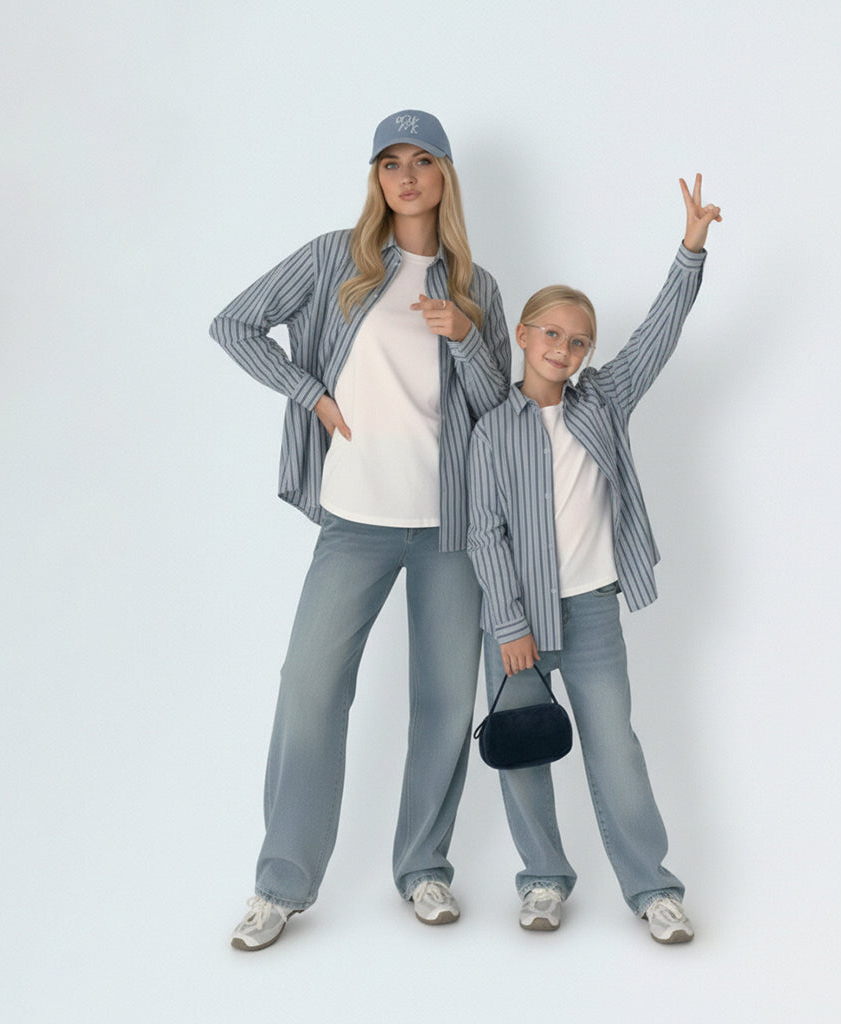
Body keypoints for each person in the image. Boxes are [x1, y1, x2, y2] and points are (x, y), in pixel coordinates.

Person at [210, 110, 510, 951]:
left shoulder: (477, 286)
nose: (406, 176)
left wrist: (469, 340)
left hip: (452, 525)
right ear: (376, 178)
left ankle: (424, 869)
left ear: (445, 174)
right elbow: (234, 323)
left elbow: (500, 413)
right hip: (356, 518)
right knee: (309, 688)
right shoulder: (333, 258)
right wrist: (311, 394)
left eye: (422, 160)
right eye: (390, 162)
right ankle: (280, 885)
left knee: (445, 701)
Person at [466, 174, 720, 944]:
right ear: (523, 335)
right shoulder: (492, 430)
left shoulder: (602, 403)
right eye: (552, 334)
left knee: (616, 750)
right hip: (518, 623)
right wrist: (509, 625)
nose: (564, 349)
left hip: (594, 610)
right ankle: (543, 880)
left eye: (578, 342)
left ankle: (653, 888)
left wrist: (690, 251)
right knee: (522, 752)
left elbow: (657, 336)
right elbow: (484, 533)